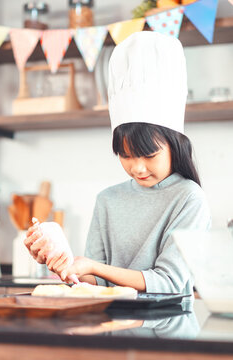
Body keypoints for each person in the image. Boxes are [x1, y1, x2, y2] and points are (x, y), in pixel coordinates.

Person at [24, 31, 211, 294]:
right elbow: (94, 284)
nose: (137, 167)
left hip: (169, 329)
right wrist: (63, 265)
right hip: (112, 328)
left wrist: (93, 267)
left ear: (175, 145)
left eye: (149, 155)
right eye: (126, 156)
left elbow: (169, 283)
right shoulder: (107, 200)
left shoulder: (189, 199)